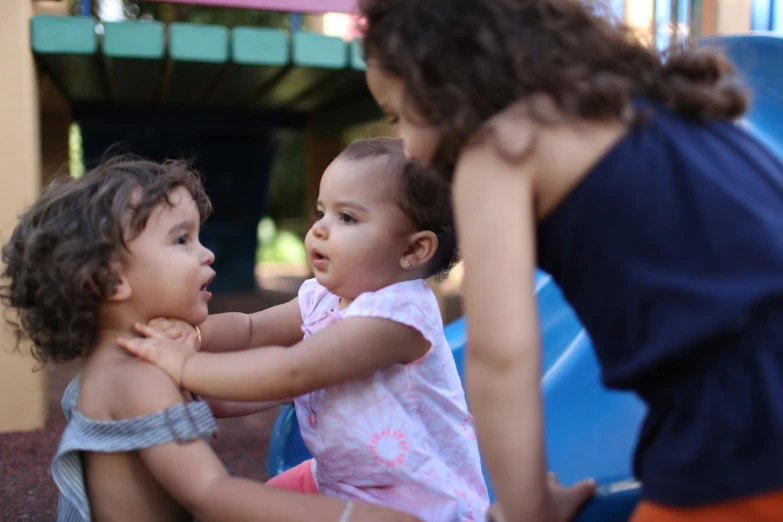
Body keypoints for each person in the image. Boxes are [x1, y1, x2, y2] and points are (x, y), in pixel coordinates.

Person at [357, 1, 783, 521]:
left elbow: (500, 358)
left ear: (445, 80)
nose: (407, 146)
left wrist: (527, 507)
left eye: (401, 114)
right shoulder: (667, 102)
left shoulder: (500, 148)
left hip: (734, 431)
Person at [0, 156, 421, 522]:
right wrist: (349, 515)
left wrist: (301, 383)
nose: (207, 253)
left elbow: (216, 397)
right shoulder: (135, 376)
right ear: (108, 280)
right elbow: (211, 492)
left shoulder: (121, 359)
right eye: (182, 239)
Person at [118, 138, 490, 521]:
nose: (321, 230)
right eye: (320, 213)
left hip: (413, 501)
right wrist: (193, 337)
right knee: (260, 506)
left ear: (413, 251)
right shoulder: (324, 297)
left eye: (347, 218)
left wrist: (185, 367)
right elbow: (250, 329)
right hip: (343, 479)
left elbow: (291, 373)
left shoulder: (397, 318)